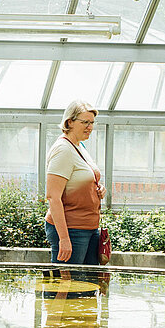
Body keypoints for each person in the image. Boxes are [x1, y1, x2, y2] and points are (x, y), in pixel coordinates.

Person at [44, 100, 105, 265]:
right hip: (72, 230)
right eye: (85, 122)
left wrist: (97, 190)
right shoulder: (63, 150)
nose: (90, 127)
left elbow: (81, 179)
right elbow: (53, 197)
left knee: (87, 288)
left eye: (92, 123)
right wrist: (63, 238)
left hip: (89, 228)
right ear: (69, 122)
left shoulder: (79, 146)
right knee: (66, 285)